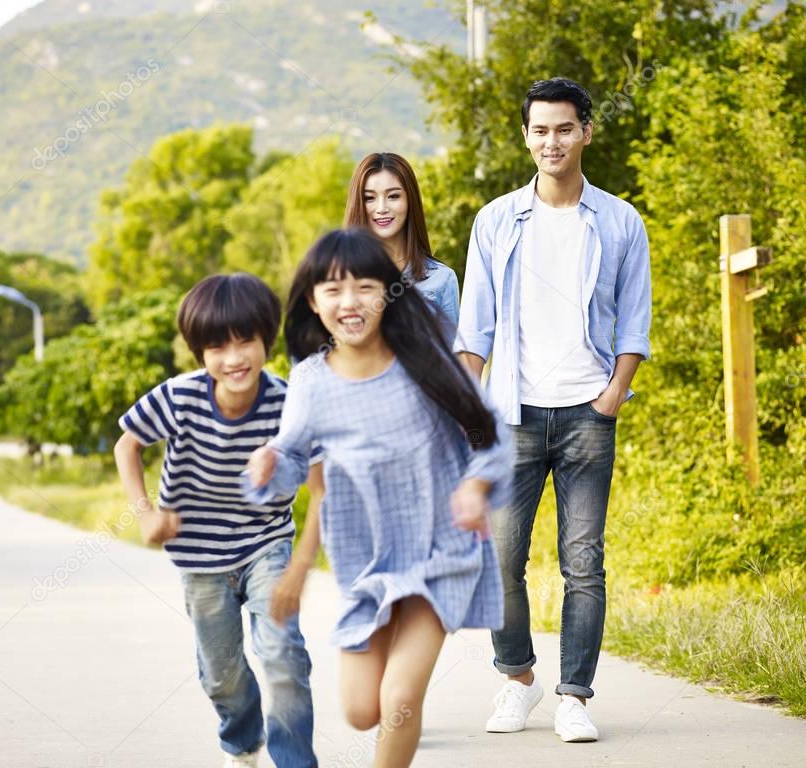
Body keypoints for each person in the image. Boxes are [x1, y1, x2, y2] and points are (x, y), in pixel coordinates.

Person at [245, 228, 513, 767]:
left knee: (399, 700)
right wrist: (270, 465)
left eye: (366, 286)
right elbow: (294, 460)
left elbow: (492, 435)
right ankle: (389, 648)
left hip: (441, 553)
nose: (350, 302)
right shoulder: (311, 381)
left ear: (389, 292)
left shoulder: (424, 361)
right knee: (362, 710)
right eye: (333, 289)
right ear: (313, 302)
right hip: (366, 560)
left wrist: (476, 485)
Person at [456, 77, 652, 743]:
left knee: (583, 560)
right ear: (526, 136)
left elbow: (635, 320)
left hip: (587, 413)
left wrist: (614, 392)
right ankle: (517, 678)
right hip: (511, 414)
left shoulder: (620, 220)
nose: (552, 141)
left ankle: (574, 695)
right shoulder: (495, 220)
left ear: (586, 132)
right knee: (501, 558)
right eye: (540, 130)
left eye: (564, 128)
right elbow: (473, 332)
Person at [114, 273, 320, 768]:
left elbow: (319, 479)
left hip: (266, 542)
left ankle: (294, 760)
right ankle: (243, 740)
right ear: (198, 353)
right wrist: (145, 514)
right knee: (220, 674)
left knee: (282, 654)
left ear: (265, 340)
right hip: (199, 554)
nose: (234, 358)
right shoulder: (179, 397)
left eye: (245, 340)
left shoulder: (285, 401)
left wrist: (303, 561)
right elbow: (128, 443)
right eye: (217, 346)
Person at [343, 152, 459, 341]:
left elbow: (452, 362)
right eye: (370, 198)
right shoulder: (335, 275)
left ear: (409, 201)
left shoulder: (441, 280)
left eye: (393, 196)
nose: (381, 208)